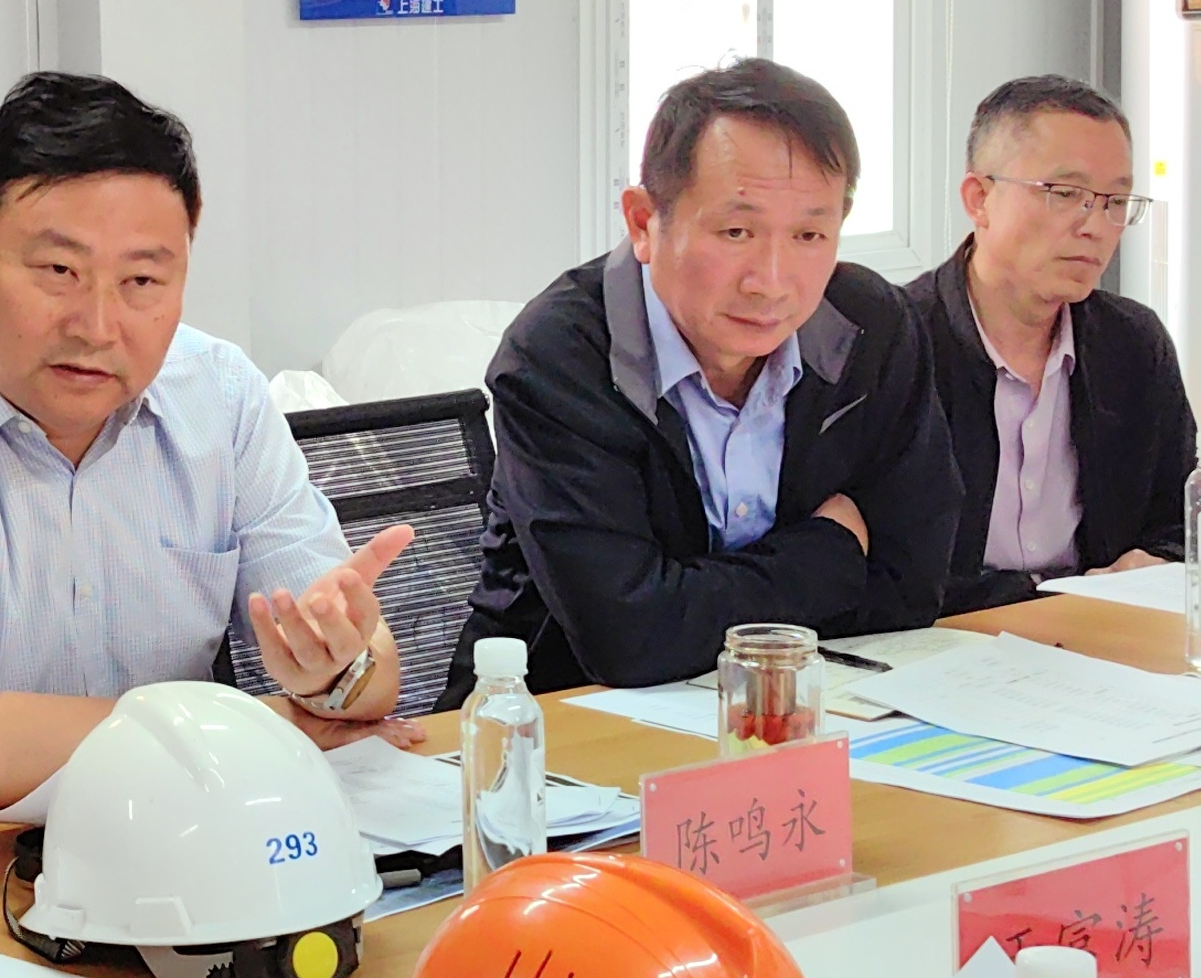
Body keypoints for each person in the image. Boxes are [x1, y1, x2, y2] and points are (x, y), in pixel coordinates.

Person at [0, 71, 421, 840]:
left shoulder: (221, 394)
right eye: (59, 272)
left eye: (141, 280)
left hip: (163, 846)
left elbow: (365, 670)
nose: (98, 326)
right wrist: (265, 725)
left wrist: (337, 673)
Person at [450, 59, 958, 699]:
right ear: (643, 222)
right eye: (736, 231)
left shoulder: (870, 326)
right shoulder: (559, 356)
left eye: (809, 233)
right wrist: (831, 552)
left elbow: (914, 585)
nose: (771, 280)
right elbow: (627, 639)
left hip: (802, 707)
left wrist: (686, 602)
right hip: (552, 722)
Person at [907, 75, 1193, 614]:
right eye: (1065, 194)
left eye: (1115, 201)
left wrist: (1156, 563)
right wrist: (1050, 597)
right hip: (939, 643)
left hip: (1097, 637)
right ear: (979, 198)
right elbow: (879, 570)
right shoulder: (897, 346)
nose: (1096, 226)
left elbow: (1182, 516)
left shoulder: (1134, 343)